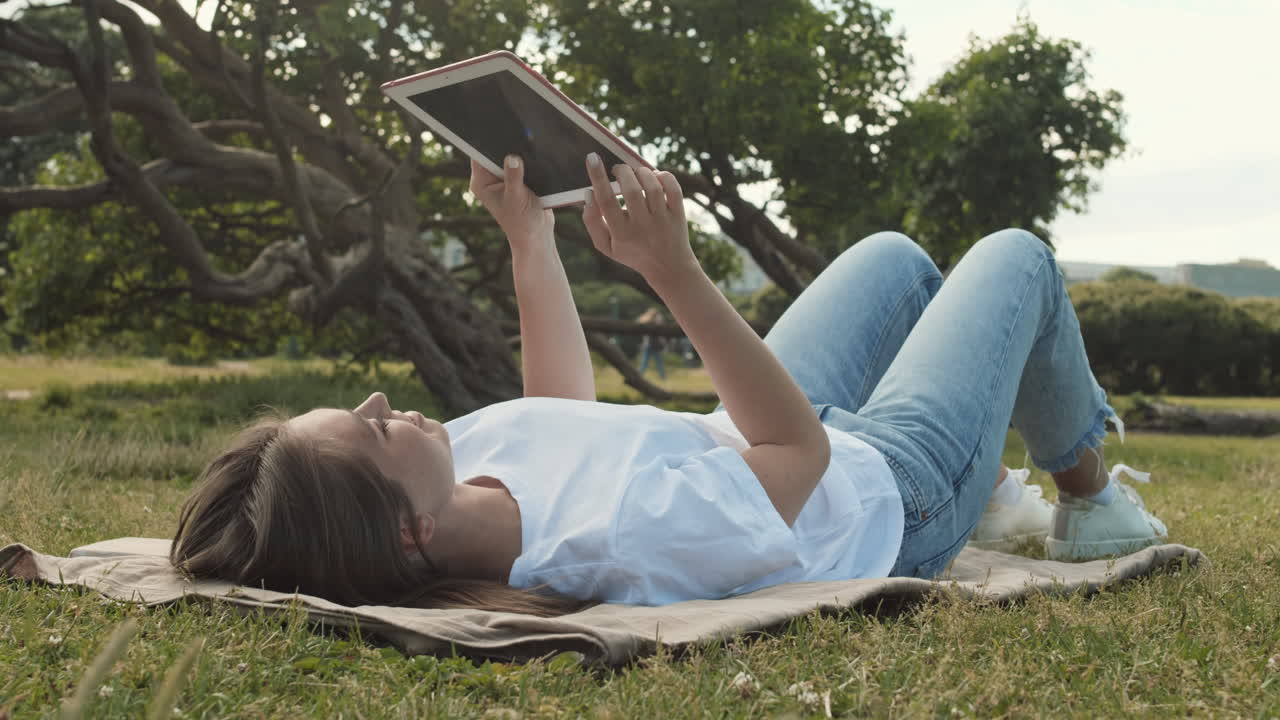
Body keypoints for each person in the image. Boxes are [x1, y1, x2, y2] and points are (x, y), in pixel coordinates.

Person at [170, 153, 1168, 617]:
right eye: (372, 431)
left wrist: (530, 236)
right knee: (1013, 258)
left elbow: (556, 420)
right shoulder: (621, 540)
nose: (383, 406)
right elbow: (800, 455)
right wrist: (672, 270)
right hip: (881, 492)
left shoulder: (453, 478)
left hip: (743, 434)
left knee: (895, 258)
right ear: (403, 535)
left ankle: (992, 481)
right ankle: (1086, 505)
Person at [635, 307, 669, 379]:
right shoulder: (656, 322)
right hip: (654, 345)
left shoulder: (646, 321)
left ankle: (639, 375)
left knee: (645, 362)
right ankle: (663, 376)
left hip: (649, 345)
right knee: (658, 362)